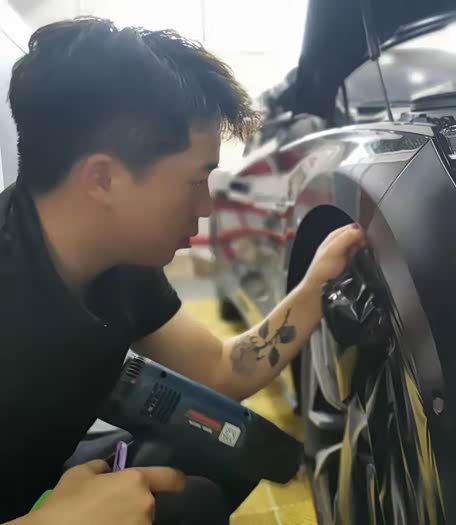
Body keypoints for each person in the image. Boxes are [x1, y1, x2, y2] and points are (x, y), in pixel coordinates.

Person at [0, 16, 365, 525]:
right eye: (197, 180)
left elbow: (219, 369)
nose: (209, 206)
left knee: (212, 474)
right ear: (103, 178)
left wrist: (315, 284)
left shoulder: (121, 260)